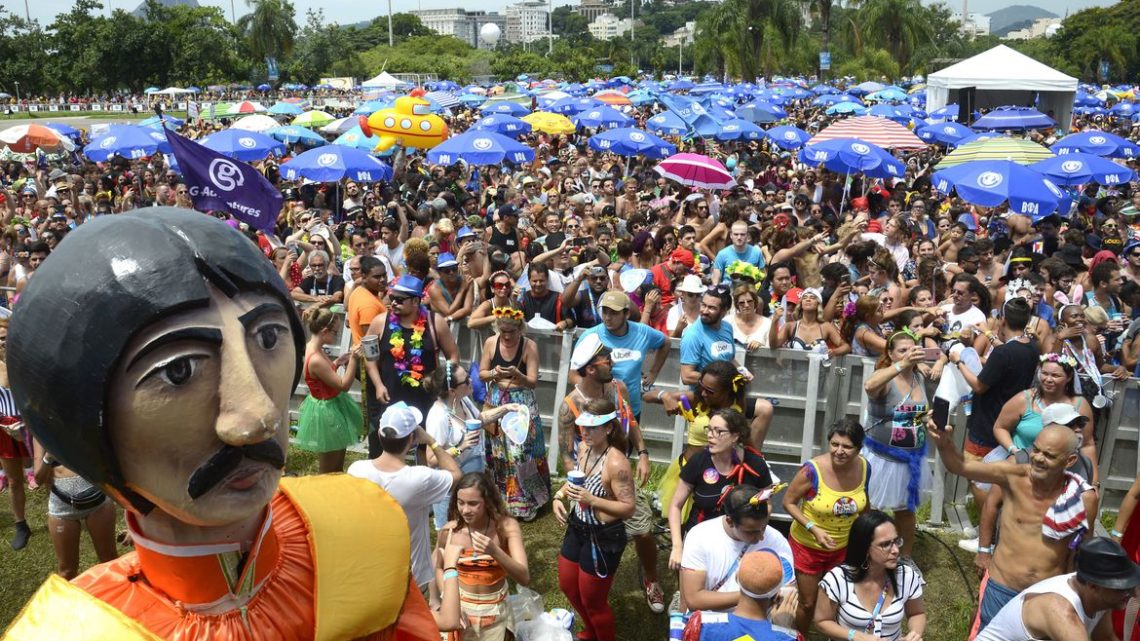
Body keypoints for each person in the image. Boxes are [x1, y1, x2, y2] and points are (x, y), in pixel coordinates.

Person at [5, 208, 438, 640]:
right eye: (179, 371)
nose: (260, 418)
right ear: (83, 426)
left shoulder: (364, 538)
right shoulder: (75, 633)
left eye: (268, 337)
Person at [929, 422, 1098, 635]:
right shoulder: (1013, 476)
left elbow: (1083, 551)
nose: (1038, 458)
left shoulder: (1083, 498)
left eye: (1049, 455)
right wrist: (944, 444)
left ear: (1070, 460)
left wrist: (1076, 595)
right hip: (1002, 587)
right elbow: (961, 466)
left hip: (1046, 595)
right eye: (1035, 450)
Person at [559, 333, 663, 612]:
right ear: (591, 368)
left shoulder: (618, 389)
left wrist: (642, 453)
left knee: (642, 531)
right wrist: (578, 485)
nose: (612, 362)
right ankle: (592, 579)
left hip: (620, 474)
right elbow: (567, 453)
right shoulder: (569, 407)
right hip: (590, 480)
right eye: (607, 359)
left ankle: (651, 578)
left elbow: (630, 422)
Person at [348, 402, 462, 595]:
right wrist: (431, 441)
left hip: (369, 568)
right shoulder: (420, 478)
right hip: (410, 575)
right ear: (412, 439)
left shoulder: (356, 469)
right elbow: (455, 474)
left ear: (379, 435)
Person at [553, 399, 637, 641]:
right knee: (568, 586)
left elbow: (628, 508)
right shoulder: (583, 449)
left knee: (594, 601)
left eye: (592, 428)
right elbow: (575, 483)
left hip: (604, 536)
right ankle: (591, 632)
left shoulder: (617, 463)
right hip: (578, 527)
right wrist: (559, 496)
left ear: (608, 428)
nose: (585, 433)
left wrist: (592, 500)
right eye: (583, 427)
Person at [782, 418, 870, 635]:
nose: (839, 451)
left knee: (838, 600)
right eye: (834, 444)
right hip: (807, 547)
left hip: (843, 548)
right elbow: (788, 502)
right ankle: (799, 637)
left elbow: (864, 503)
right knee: (808, 603)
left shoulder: (866, 468)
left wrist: (867, 535)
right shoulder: (812, 471)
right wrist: (813, 528)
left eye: (847, 447)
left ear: (859, 449)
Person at [364, 274, 459, 458]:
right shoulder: (379, 322)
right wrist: (378, 385)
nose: (393, 303)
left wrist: (443, 380)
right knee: (384, 447)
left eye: (400, 300)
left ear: (416, 301)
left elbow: (453, 354)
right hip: (389, 397)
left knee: (425, 447)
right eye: (392, 298)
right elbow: (370, 358)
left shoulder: (435, 322)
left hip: (426, 399)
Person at [976, 537, 1140, 641]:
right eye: (1121, 588)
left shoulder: (1100, 598)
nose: (1131, 593)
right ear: (1093, 585)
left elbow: (1106, 638)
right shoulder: (1062, 612)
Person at [434, 473, 531, 641]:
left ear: (488, 502)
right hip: (461, 612)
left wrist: (495, 552)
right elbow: (438, 567)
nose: (465, 510)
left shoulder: (506, 527)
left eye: (473, 504)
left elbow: (524, 577)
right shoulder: (449, 531)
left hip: (495, 614)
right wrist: (450, 604)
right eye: (460, 502)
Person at [425, 363, 522, 529]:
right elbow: (432, 459)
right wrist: (461, 447)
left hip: (471, 481)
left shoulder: (463, 401)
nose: (472, 380)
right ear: (452, 391)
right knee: (450, 532)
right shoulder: (438, 417)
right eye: (466, 380)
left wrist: (505, 409)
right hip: (451, 489)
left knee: (473, 530)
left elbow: (480, 419)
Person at [668, 408, 775, 553]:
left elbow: (767, 503)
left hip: (741, 542)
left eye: (718, 431)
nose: (711, 436)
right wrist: (677, 546)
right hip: (702, 539)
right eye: (709, 430)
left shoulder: (756, 464)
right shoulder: (698, 461)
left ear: (735, 436)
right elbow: (675, 505)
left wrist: (757, 530)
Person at [478, 307, 550, 520]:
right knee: (499, 453)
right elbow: (481, 373)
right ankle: (499, 499)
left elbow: (533, 382)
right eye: (503, 331)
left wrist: (518, 375)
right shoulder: (491, 342)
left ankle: (527, 503)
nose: (507, 336)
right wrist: (493, 373)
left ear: (520, 328)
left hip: (521, 404)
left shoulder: (529, 346)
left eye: (511, 331)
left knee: (521, 454)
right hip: (497, 400)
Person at [863, 330, 930, 560]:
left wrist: (928, 421)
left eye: (912, 349)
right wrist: (902, 364)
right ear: (891, 354)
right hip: (881, 458)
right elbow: (870, 386)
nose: (909, 354)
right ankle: (867, 552)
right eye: (902, 350)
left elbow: (914, 412)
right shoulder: (886, 376)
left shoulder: (918, 377)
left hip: (909, 458)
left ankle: (905, 556)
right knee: (870, 509)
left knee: (905, 511)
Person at [678, 484, 795, 614]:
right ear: (730, 521)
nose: (761, 537)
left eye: (763, 527)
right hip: (711, 623)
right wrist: (752, 595)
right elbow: (694, 599)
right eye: (751, 531)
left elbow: (787, 592)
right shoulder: (699, 537)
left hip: (757, 625)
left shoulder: (776, 540)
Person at [815, 510, 927, 641]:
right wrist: (855, 636)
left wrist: (914, 633)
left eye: (896, 541)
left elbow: (916, 613)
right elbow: (822, 621)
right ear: (865, 548)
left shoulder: (907, 576)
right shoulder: (838, 579)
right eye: (885, 545)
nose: (896, 550)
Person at [576, 289, 670, 420]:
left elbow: (666, 342)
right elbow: (573, 373)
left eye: (614, 313)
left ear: (626, 314)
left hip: (631, 411)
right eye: (605, 312)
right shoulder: (590, 336)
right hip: (598, 412)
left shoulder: (642, 332)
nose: (607, 318)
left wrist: (654, 372)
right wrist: (588, 397)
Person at [294, 307, 364, 474]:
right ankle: (324, 495)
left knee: (338, 460)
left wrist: (337, 363)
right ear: (325, 331)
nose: (337, 335)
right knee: (328, 467)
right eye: (335, 332)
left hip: (331, 404)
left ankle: (334, 491)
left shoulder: (313, 347)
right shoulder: (316, 359)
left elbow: (322, 375)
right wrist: (354, 359)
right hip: (328, 412)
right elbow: (343, 385)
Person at [683, 550, 799, 641]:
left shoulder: (699, 625)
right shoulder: (787, 638)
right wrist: (783, 629)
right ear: (778, 592)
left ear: (736, 578)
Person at [0, 316, 31, 551]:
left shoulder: (23, 359)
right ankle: (21, 524)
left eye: (3, 338)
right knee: (14, 480)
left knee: (47, 473)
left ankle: (60, 515)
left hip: (29, 422)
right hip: (4, 425)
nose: (1, 343)